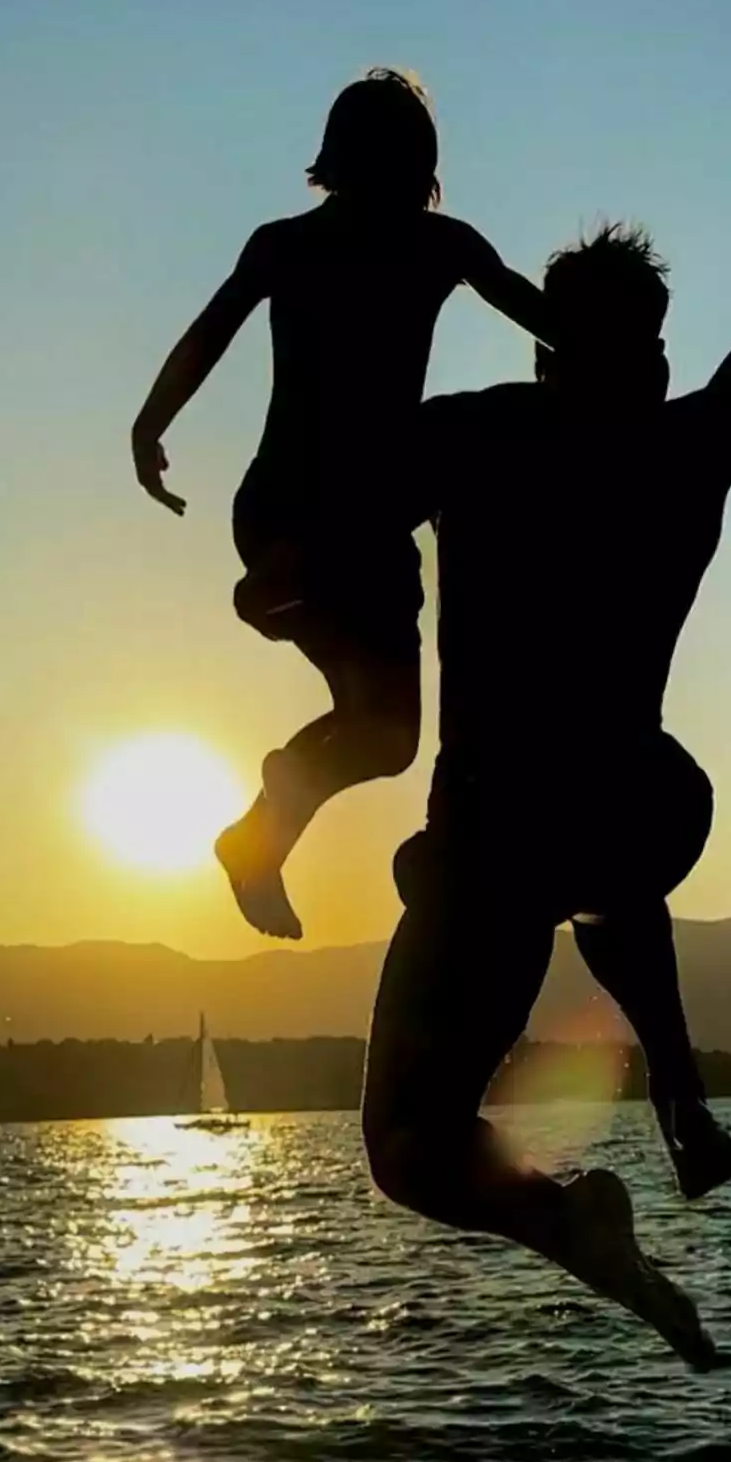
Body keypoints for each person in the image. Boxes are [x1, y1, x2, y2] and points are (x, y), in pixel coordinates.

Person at [363, 70, 731, 1367]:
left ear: (545, 347)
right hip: (625, 811)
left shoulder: (483, 437)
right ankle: (625, 1164)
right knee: (608, 826)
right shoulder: (685, 447)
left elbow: (336, 488)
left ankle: (582, 1203)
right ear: (645, 351)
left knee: (407, 1146)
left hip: (495, 853)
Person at [130, 68, 555, 942]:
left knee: (386, 737)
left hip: (336, 526)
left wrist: (150, 425)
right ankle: (281, 598)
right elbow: (209, 333)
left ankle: (259, 832)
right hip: (324, 520)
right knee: (377, 723)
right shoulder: (379, 246)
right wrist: (148, 422)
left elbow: (539, 315)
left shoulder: (394, 246)